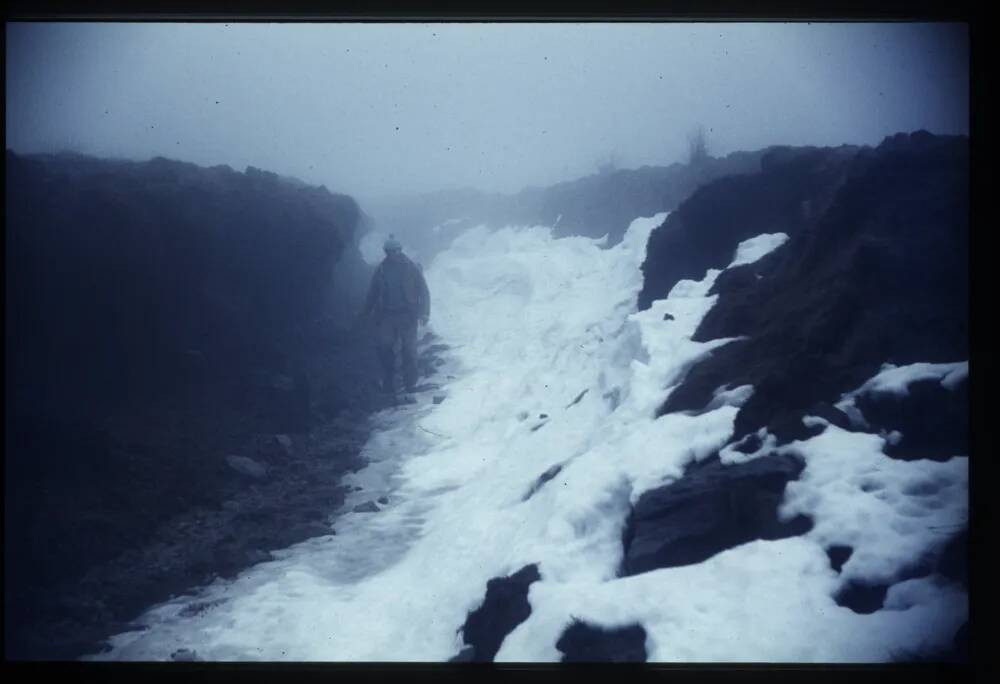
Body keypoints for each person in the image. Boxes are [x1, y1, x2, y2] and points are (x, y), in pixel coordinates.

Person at [363, 235, 430, 393]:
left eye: (396, 250)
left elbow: (423, 291)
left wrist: (425, 313)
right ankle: (389, 381)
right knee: (384, 348)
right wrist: (365, 313)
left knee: (409, 350)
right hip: (387, 316)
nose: (393, 254)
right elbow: (372, 293)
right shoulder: (381, 270)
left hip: (407, 315)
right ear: (386, 252)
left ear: (400, 250)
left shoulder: (411, 268)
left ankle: (410, 384)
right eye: (390, 251)